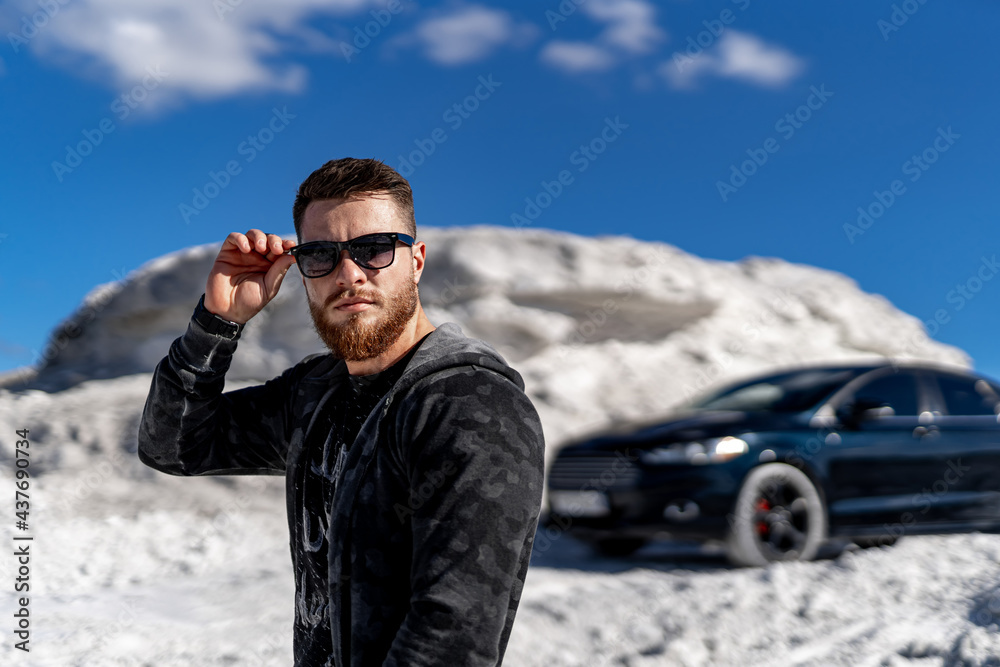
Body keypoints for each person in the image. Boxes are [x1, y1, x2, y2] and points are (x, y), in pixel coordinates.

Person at [137, 158, 546, 666]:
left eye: (375, 249)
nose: (349, 274)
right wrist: (217, 324)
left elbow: (451, 637)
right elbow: (174, 447)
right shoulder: (316, 393)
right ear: (302, 271)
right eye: (321, 256)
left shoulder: (471, 404)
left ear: (416, 261)